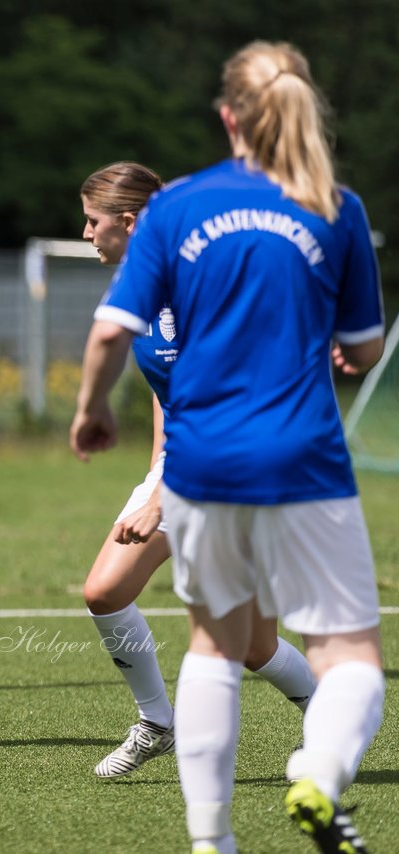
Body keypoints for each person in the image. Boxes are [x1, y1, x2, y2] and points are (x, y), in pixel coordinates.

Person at [72, 41, 385, 854]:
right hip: (298, 459)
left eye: (94, 219)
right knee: (348, 657)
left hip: (206, 468)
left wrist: (88, 409)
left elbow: (112, 333)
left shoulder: (180, 212)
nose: (86, 231)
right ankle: (318, 772)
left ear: (227, 116)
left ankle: (211, 840)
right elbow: (365, 345)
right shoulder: (334, 205)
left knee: (220, 646)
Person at [78, 162, 317, 781]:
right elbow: (170, 388)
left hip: (239, 468)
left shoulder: (201, 281)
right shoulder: (141, 281)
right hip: (184, 465)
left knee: (252, 645)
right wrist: (156, 473)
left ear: (129, 223)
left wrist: (166, 496)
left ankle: (332, 715)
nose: (85, 233)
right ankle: (158, 721)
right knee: (105, 592)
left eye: (93, 221)